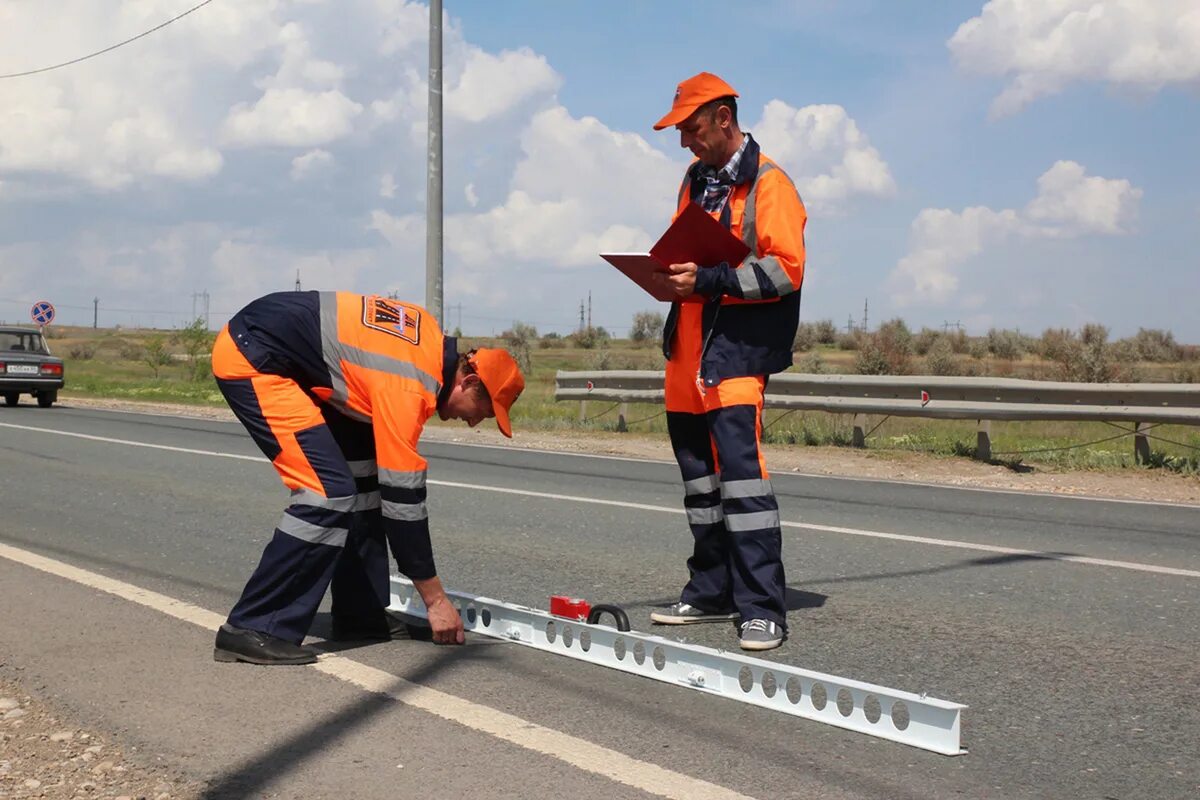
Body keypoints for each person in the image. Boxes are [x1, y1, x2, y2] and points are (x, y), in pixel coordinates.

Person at [209, 290, 524, 665]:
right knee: (326, 494)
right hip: (255, 357)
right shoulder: (410, 384)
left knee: (364, 485)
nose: (473, 422)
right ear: (469, 383)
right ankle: (252, 627)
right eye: (481, 412)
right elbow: (403, 500)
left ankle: (360, 615)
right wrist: (435, 600)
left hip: (297, 361)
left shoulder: (425, 346)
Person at [647, 72, 807, 651]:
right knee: (702, 487)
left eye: (691, 128)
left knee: (744, 489)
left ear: (722, 117)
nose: (685, 142)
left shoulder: (771, 185)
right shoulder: (695, 180)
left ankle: (762, 606)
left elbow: (786, 270)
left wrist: (711, 278)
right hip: (685, 356)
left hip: (734, 357)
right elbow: (685, 249)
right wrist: (665, 273)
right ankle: (711, 590)